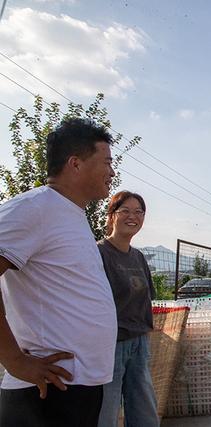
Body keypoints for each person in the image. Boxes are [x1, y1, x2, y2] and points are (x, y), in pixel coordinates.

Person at [0, 118, 118, 426]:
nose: (112, 172)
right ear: (75, 163)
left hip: (76, 387)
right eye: (107, 162)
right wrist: (14, 360)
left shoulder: (71, 215)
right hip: (44, 394)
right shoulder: (35, 208)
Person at [97, 191, 159, 427]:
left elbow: (146, 300)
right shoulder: (99, 253)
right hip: (109, 345)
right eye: (125, 211)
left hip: (139, 342)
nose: (132, 217)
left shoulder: (138, 257)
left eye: (138, 212)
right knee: (106, 413)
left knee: (144, 413)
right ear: (112, 216)